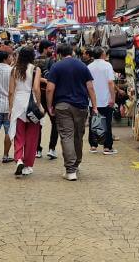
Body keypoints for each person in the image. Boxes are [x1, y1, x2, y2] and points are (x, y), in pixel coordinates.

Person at [46, 42, 98, 181]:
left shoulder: (56, 66)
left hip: (62, 105)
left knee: (66, 136)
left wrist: (49, 105)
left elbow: (50, 88)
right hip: (81, 105)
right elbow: (90, 87)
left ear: (59, 54)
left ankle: (70, 170)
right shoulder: (82, 66)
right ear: (72, 52)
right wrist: (94, 106)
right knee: (78, 136)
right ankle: (76, 163)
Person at [8, 47, 44, 176]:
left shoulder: (14, 70)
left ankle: (18, 159)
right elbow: (36, 88)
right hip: (32, 105)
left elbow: (11, 92)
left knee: (19, 136)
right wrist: (39, 104)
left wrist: (10, 109)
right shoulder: (35, 69)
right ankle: (28, 165)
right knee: (32, 137)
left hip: (18, 104)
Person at [87, 47, 117, 155]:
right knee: (107, 123)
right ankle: (107, 147)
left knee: (94, 122)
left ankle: (93, 146)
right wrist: (113, 98)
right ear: (102, 54)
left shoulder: (89, 66)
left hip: (93, 100)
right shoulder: (107, 65)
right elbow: (110, 83)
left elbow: (88, 84)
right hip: (105, 99)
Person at [34, 40, 59, 159]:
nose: (52, 50)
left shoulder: (33, 61)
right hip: (49, 95)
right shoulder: (52, 61)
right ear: (44, 49)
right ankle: (52, 148)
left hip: (37, 94)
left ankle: (37, 149)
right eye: (50, 48)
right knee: (55, 122)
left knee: (37, 122)